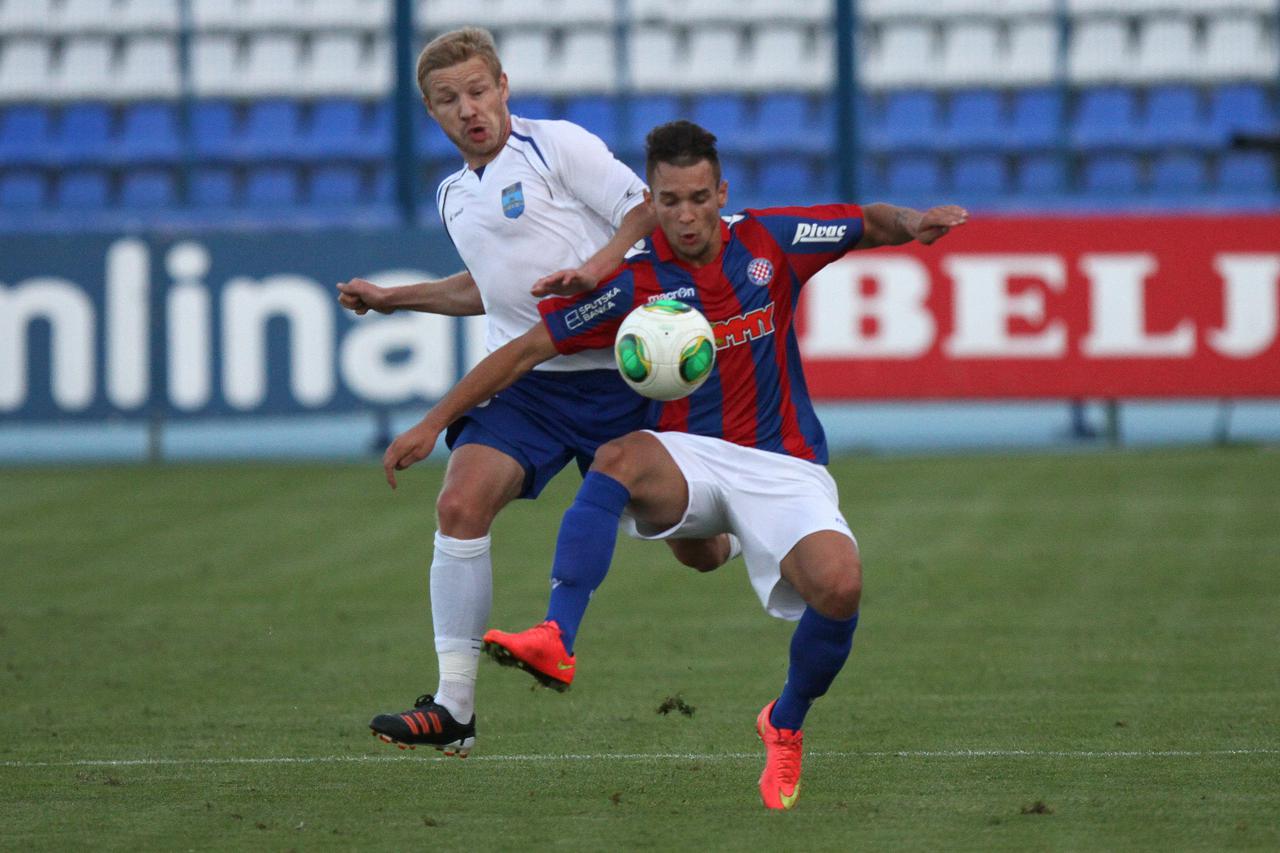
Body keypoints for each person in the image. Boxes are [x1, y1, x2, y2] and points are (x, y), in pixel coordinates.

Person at [381, 120, 968, 806]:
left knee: (839, 589)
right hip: (686, 454)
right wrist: (433, 420)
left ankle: (784, 722)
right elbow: (525, 350)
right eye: (669, 200)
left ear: (721, 191)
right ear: (649, 202)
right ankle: (556, 634)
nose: (685, 215)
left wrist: (915, 221)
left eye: (697, 197)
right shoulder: (634, 282)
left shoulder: (770, 242)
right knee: (617, 456)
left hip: (782, 463)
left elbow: (867, 221)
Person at [339, 27, 662, 758]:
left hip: (622, 374)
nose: (469, 109)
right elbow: (488, 290)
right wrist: (396, 299)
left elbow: (642, 212)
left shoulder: (557, 147)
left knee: (696, 548)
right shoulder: (454, 193)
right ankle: (455, 709)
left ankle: (738, 519)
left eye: (479, 91)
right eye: (449, 100)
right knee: (458, 501)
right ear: (431, 112)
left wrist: (594, 270)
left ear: (504, 85)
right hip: (530, 385)